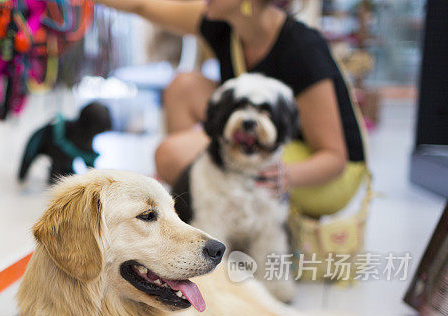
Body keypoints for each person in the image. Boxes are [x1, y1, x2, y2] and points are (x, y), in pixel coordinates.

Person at [95, 0, 368, 217]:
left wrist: (280, 175)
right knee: (184, 88)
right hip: (262, 139)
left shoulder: (302, 49)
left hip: (324, 176)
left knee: (170, 155)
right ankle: (196, 206)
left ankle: (212, 206)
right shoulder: (224, 23)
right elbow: (144, 5)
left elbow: (334, 158)